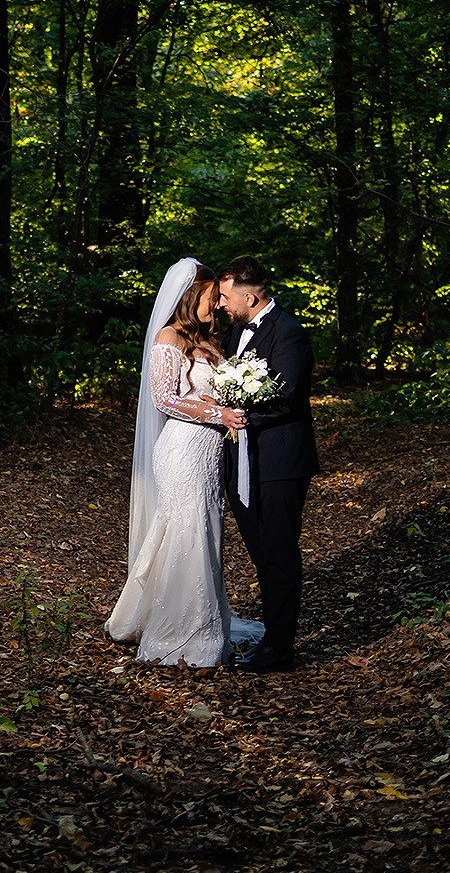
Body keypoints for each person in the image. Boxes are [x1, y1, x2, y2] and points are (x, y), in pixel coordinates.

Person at [104, 257, 264, 667]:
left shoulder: (208, 342)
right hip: (182, 450)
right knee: (186, 531)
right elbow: (165, 399)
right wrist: (217, 414)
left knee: (207, 532)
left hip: (209, 453)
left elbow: (203, 390)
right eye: (212, 298)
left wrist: (224, 402)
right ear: (192, 296)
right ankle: (181, 630)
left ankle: (208, 619)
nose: (216, 306)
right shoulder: (168, 338)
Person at [214, 255, 320, 673]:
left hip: (279, 461)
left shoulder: (290, 334)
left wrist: (242, 416)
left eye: (225, 296)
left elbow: (289, 396)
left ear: (250, 295)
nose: (221, 304)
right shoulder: (233, 332)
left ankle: (280, 647)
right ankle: (272, 637)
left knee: (278, 552)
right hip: (240, 462)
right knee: (260, 552)